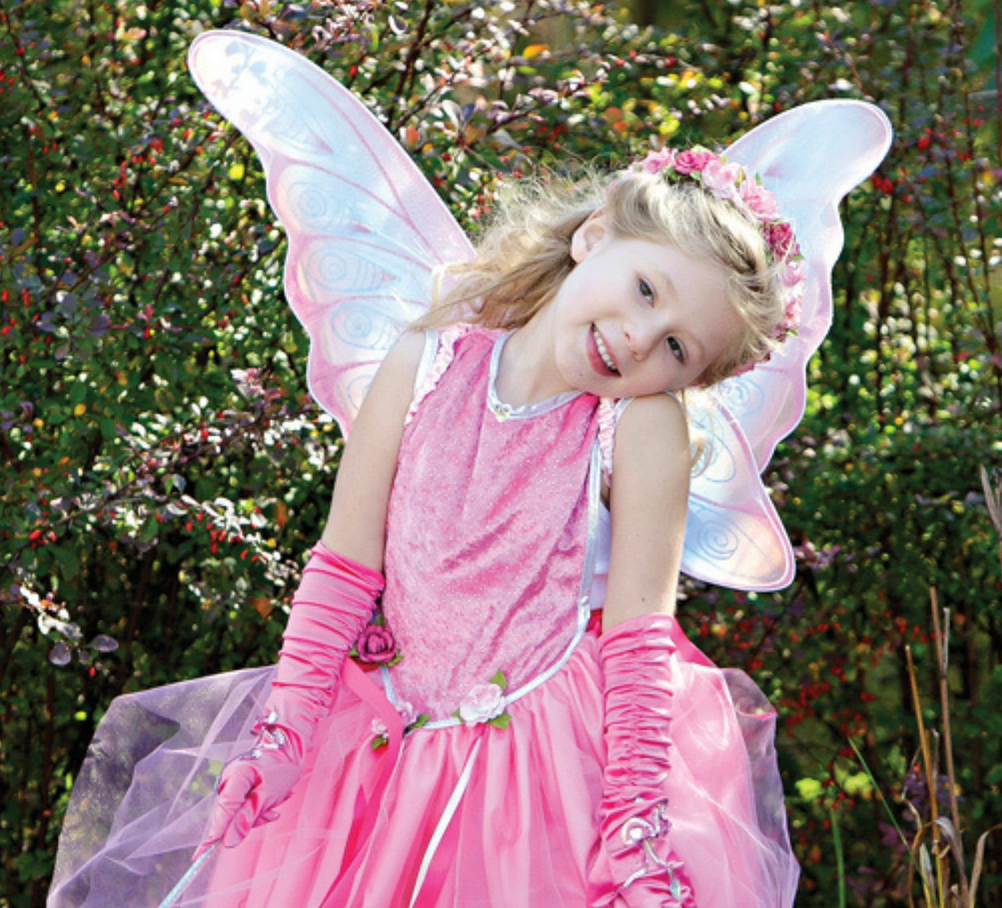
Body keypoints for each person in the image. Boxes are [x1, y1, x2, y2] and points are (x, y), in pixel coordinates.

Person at [48, 33, 892, 908]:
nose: (641, 337)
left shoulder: (639, 428)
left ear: (692, 380)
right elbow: (344, 564)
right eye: (644, 289)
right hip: (378, 749)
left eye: (677, 346)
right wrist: (289, 727)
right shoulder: (422, 362)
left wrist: (634, 823)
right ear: (595, 237)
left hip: (538, 777)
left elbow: (642, 635)